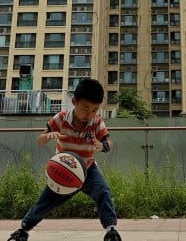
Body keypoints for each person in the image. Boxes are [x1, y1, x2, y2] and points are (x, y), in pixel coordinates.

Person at [8, 77, 121, 241]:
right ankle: (22, 230)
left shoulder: (97, 122)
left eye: (95, 110)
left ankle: (111, 231)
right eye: (85, 109)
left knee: (103, 191)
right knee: (45, 201)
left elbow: (109, 142)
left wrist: (102, 146)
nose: (89, 114)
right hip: (64, 170)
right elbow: (40, 140)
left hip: (88, 169)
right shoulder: (60, 118)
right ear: (74, 102)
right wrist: (47, 136)